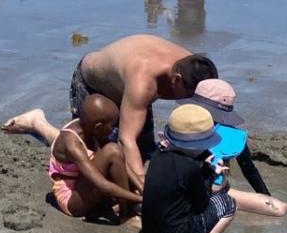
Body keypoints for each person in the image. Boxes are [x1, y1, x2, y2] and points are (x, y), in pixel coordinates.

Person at [68, 34, 217, 191]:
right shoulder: (144, 81)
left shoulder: (195, 66)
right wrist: (143, 188)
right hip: (94, 90)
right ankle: (42, 125)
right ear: (177, 80)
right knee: (96, 160)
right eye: (189, 95)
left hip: (131, 93)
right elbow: (127, 139)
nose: (191, 100)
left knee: (147, 150)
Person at [140, 105, 287, 233]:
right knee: (228, 203)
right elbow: (201, 205)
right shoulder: (190, 168)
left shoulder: (158, 156)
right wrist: (210, 174)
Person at [0, 96, 143, 221]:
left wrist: (142, 189)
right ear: (98, 126)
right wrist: (140, 199)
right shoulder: (72, 143)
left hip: (84, 182)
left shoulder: (90, 128)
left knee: (115, 151)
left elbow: (120, 160)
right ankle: (126, 215)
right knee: (112, 150)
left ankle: (125, 203)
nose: (112, 130)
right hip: (72, 200)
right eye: (111, 126)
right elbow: (102, 185)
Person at [175, 79, 285, 206]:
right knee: (279, 209)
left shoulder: (178, 125)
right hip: (213, 193)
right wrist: (268, 198)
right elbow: (249, 169)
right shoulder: (232, 137)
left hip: (181, 190)